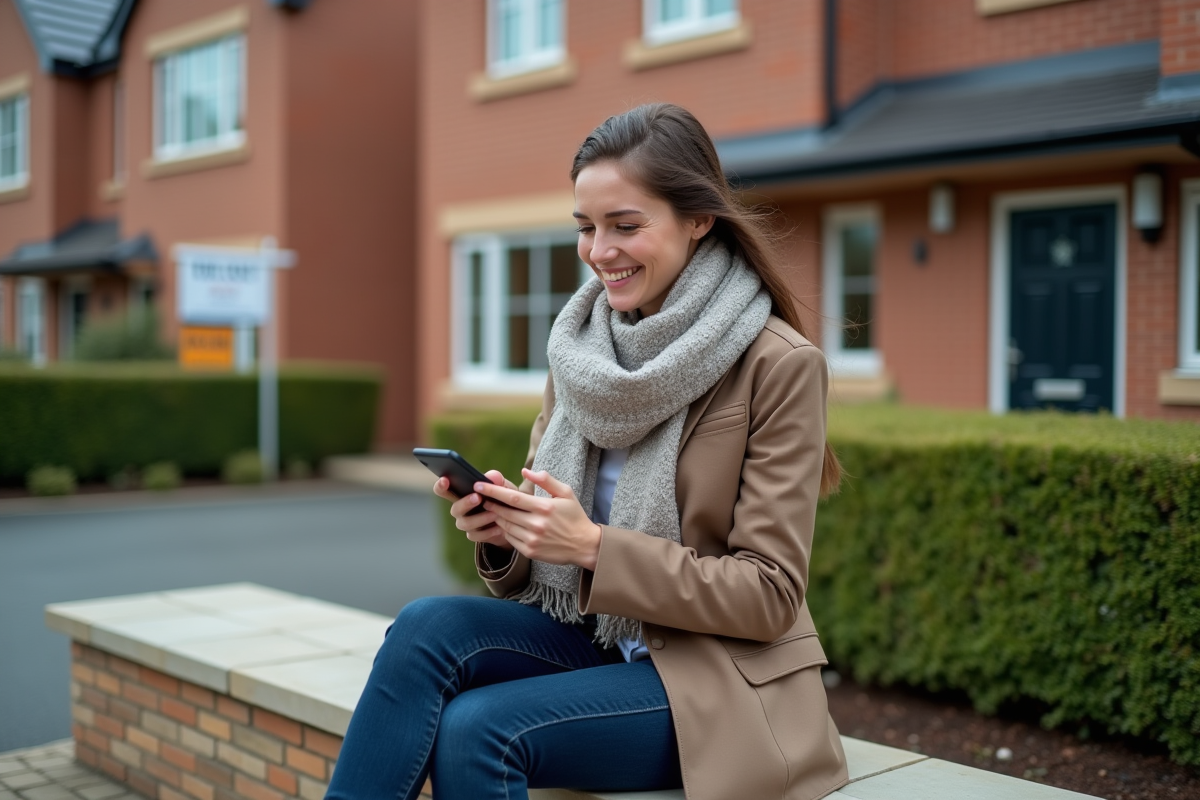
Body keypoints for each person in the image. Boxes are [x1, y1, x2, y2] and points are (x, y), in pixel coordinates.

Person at [325, 103, 849, 800]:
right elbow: (549, 574)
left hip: (714, 680)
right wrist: (509, 536)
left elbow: (770, 595)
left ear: (699, 218)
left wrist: (595, 547)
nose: (600, 250)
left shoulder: (779, 365)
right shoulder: (581, 351)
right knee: (426, 626)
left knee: (480, 728)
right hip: (597, 639)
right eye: (587, 227)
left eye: (626, 225)